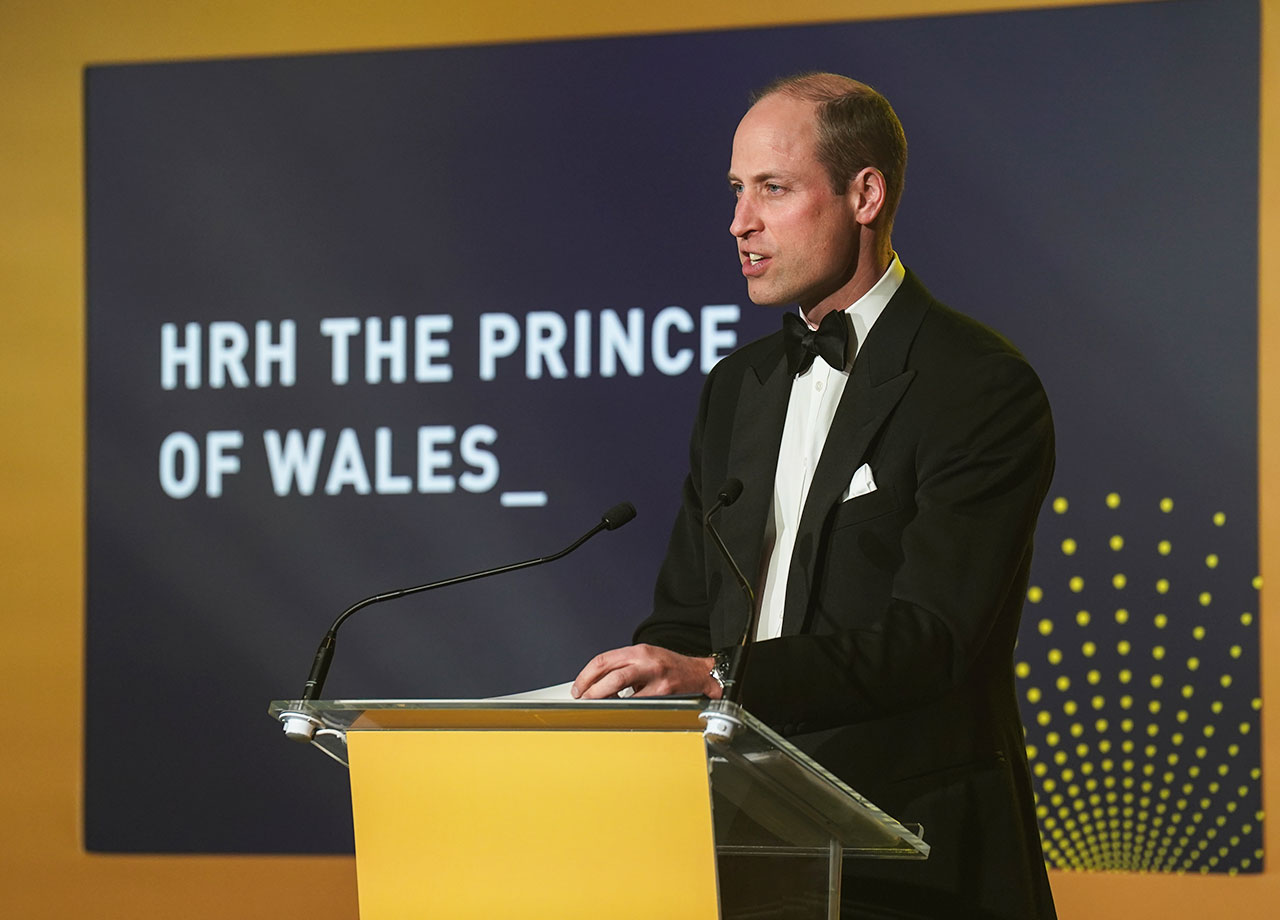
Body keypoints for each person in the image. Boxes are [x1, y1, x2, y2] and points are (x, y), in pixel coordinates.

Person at [573, 72, 1057, 919]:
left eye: (773, 189)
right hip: (737, 852)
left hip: (912, 861)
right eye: (735, 191)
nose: (740, 223)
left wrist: (722, 678)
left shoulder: (976, 385)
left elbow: (932, 639)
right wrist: (654, 680)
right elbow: (684, 616)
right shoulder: (737, 387)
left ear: (864, 193)